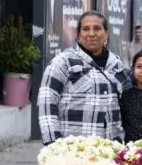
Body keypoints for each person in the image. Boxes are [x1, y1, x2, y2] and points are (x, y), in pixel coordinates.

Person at [38, 11, 130, 145]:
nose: (91, 34)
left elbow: (129, 102)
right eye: (86, 29)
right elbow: (46, 103)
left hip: (110, 150)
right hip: (75, 151)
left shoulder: (117, 65)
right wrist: (53, 144)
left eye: (97, 28)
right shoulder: (63, 62)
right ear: (79, 34)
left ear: (106, 33)